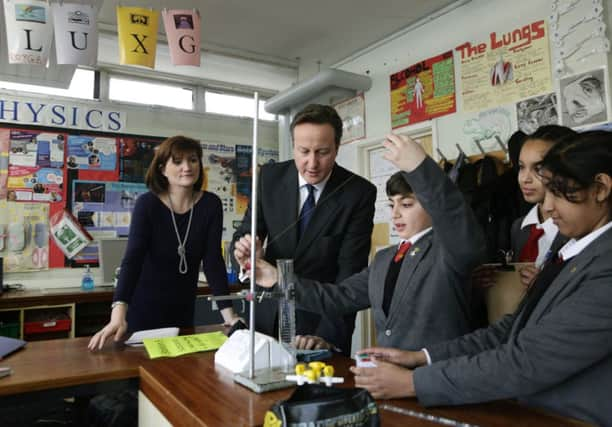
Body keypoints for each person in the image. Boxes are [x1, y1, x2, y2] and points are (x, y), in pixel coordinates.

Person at [351, 131, 612, 426]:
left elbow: (527, 360)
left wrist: (413, 383)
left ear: (600, 188)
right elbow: (510, 331)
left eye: (558, 192)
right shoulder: (568, 248)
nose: (548, 207)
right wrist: (421, 357)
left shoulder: (604, 264)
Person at [235, 133, 485, 352]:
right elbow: (337, 296)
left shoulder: (449, 252)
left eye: (407, 205)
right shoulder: (386, 259)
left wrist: (421, 168)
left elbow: (458, 222)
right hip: (389, 380)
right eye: (392, 204)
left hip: (439, 379)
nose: (395, 213)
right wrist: (279, 278)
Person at [232, 104, 376, 355]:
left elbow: (349, 275)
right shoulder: (269, 178)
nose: (312, 163)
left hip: (318, 324)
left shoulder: (358, 194)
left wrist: (326, 337)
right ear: (293, 146)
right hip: (268, 317)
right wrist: (246, 250)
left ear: (337, 148)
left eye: (322, 152)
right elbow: (245, 233)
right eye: (304, 151)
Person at [89, 136, 241, 351]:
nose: (187, 167)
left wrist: (230, 315)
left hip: (183, 308)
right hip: (143, 308)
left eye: (193, 160)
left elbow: (212, 261)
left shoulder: (210, 205)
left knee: (180, 373)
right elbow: (132, 259)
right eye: (177, 161)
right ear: (162, 169)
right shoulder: (147, 204)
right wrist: (118, 314)